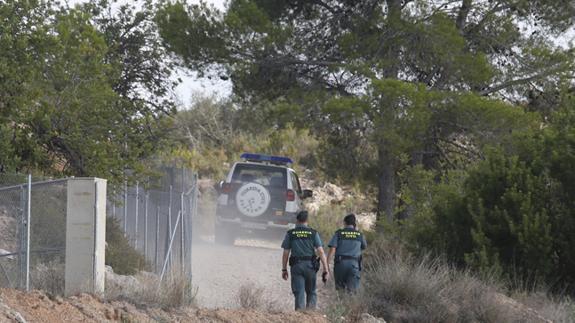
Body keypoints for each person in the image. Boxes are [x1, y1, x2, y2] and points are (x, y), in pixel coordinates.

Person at [281, 211, 330, 310]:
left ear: (297, 220)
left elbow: (286, 253)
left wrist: (284, 269)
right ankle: (310, 317)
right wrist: (326, 269)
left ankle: (300, 317)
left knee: (299, 292)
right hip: (310, 267)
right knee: (311, 292)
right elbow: (320, 251)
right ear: (307, 221)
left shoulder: (291, 233)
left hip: (296, 266)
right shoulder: (313, 233)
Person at [327, 214, 367, 293]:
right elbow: (364, 247)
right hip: (354, 265)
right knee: (352, 292)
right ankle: (349, 304)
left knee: (340, 290)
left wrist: (327, 264)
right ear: (354, 223)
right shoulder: (360, 235)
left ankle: (340, 304)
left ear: (344, 223)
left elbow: (332, 249)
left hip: (340, 264)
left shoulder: (339, 233)